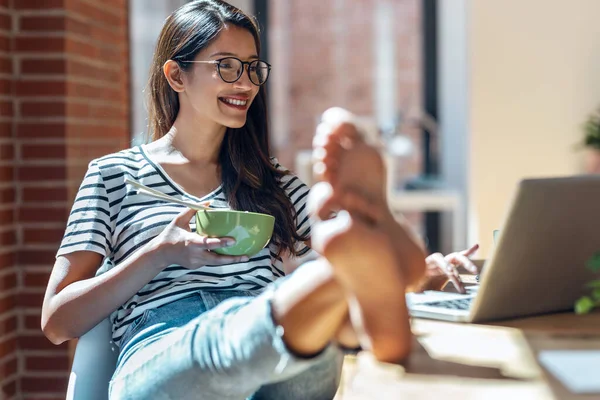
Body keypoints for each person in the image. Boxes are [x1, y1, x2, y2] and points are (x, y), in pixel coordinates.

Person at [41, 1, 477, 399]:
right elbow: (58, 320)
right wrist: (158, 253)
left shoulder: (272, 182)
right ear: (176, 75)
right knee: (243, 337)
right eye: (226, 66)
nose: (245, 82)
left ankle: (344, 290)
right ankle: (343, 297)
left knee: (313, 330)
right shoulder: (114, 175)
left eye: (252, 67)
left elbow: (356, 244)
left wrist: (427, 271)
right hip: (164, 346)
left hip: (279, 355)